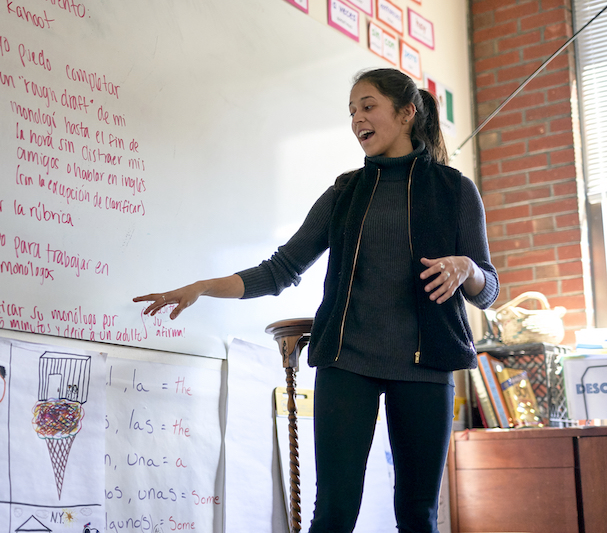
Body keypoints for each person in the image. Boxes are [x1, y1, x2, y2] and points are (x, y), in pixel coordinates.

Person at [134, 68, 499, 533]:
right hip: (347, 363)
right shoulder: (344, 193)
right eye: (351, 111)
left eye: (367, 106)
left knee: (418, 517)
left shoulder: (456, 191)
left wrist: (466, 268)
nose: (356, 119)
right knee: (333, 515)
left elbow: (488, 289)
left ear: (406, 113)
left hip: (428, 366)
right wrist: (203, 286)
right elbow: (279, 270)